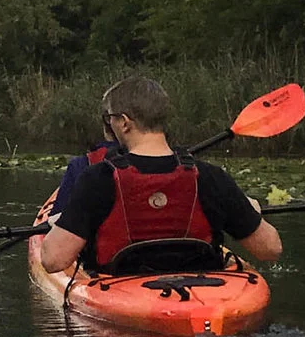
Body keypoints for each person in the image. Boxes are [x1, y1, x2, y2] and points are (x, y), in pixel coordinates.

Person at [34, 75, 281, 278]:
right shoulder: (211, 177)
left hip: (123, 297)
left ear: (124, 122)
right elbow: (271, 249)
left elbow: (53, 260)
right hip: (205, 294)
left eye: (110, 119)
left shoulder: (97, 179)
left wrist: (64, 223)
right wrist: (249, 212)